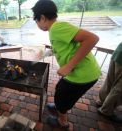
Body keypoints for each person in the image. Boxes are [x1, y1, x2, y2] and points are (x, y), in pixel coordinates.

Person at [32, 0, 101, 128]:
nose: (37, 25)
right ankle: (58, 106)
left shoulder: (57, 28)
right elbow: (63, 47)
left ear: (42, 17)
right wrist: (45, 53)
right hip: (82, 73)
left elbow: (93, 38)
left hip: (82, 75)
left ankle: (62, 122)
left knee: (63, 98)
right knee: (60, 89)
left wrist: (69, 66)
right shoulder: (56, 29)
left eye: (36, 21)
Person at [96, 42, 122, 123]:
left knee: (110, 80)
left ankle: (101, 101)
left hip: (118, 53)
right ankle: (106, 110)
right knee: (119, 88)